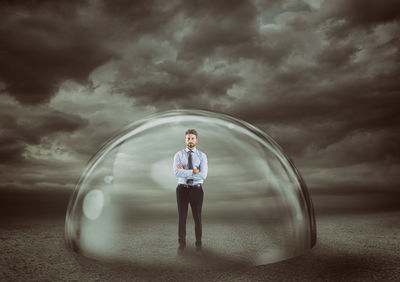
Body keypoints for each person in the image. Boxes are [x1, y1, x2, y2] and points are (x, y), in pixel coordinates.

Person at [173, 129, 208, 255]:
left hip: (197, 190)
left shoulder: (202, 156)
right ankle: (181, 246)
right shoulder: (178, 155)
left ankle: (198, 246)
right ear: (185, 140)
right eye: (188, 138)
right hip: (182, 189)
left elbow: (203, 175)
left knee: (197, 219)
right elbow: (176, 173)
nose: (190, 141)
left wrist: (186, 172)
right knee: (182, 219)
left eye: (192, 138)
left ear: (196, 140)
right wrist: (194, 171)